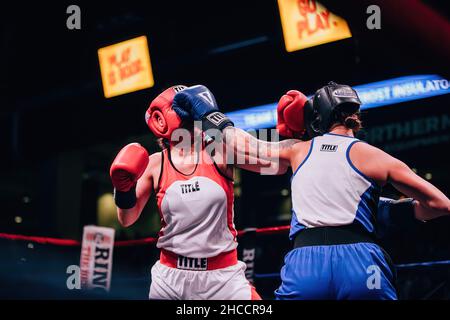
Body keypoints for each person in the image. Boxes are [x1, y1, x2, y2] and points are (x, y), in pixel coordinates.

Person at [172, 82, 450, 300]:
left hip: (306, 265)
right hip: (363, 266)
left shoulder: (297, 149)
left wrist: (207, 113)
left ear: (319, 116)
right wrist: (391, 211)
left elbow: (237, 145)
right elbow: (440, 204)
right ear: (356, 116)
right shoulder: (378, 157)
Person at [110, 85, 261, 300]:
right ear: (160, 120)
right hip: (170, 279)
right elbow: (126, 218)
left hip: (223, 277)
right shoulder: (155, 164)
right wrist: (122, 189)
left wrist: (214, 118)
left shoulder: (219, 150)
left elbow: (270, 162)